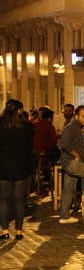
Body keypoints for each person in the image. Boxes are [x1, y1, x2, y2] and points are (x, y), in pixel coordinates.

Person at [0, 99, 34, 242]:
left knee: (3, 198)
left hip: (3, 165)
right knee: (19, 198)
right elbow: (30, 148)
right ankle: (19, 230)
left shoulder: (1, 124)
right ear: (20, 110)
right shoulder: (27, 126)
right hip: (21, 165)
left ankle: (4, 230)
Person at [33, 107, 59, 186]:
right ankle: (44, 174)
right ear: (49, 118)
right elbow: (54, 141)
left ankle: (41, 173)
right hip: (44, 152)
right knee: (57, 154)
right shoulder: (50, 126)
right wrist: (49, 147)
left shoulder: (34, 125)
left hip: (33, 153)